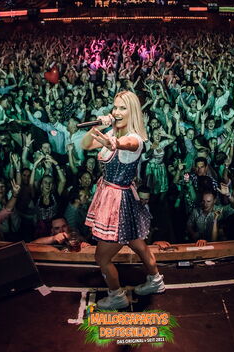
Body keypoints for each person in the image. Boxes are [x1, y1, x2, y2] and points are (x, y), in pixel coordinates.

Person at [81, 90, 164, 310]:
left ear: (133, 111)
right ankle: (156, 281)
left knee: (102, 258)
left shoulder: (134, 138)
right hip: (118, 197)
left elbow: (127, 144)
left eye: (122, 108)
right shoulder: (113, 131)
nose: (117, 112)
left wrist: (113, 142)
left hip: (117, 203)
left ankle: (116, 295)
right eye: (115, 107)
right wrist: (99, 126)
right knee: (138, 244)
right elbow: (86, 145)